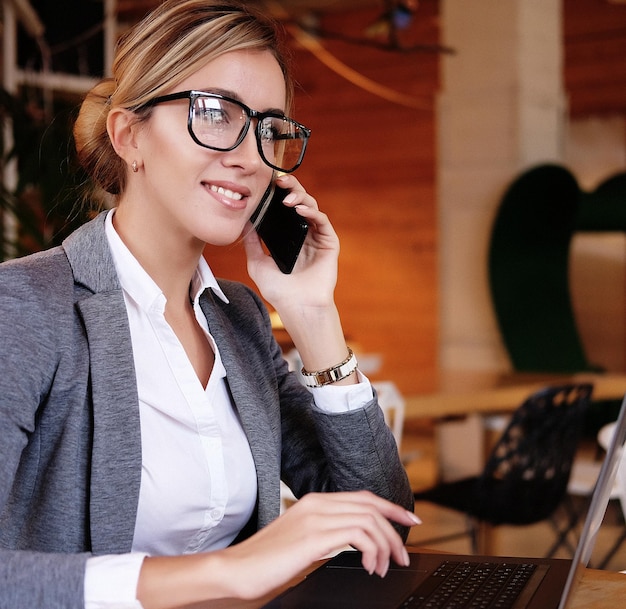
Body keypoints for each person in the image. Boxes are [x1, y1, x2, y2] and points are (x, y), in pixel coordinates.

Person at [0, 1, 417, 608]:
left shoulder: (240, 321)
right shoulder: (26, 308)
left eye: (269, 126)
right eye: (216, 114)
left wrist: (312, 314)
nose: (250, 156)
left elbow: (383, 523)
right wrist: (229, 572)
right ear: (129, 135)